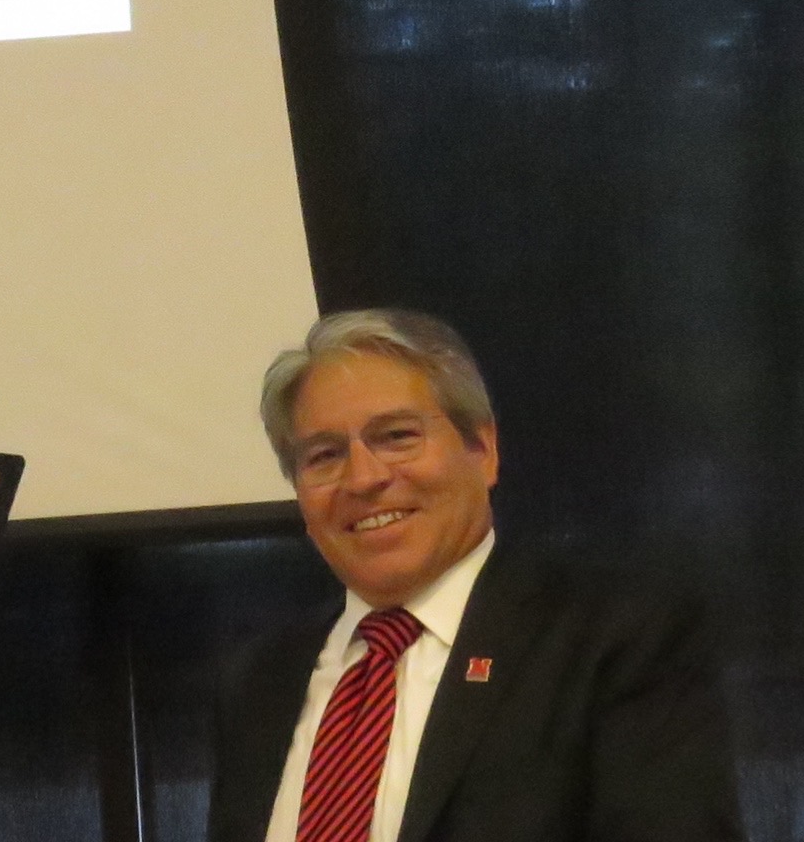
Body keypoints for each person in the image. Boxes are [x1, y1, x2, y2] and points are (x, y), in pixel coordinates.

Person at [208, 310, 743, 842]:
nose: (364, 478)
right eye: (324, 455)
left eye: (396, 436)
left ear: (483, 451)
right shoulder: (260, 681)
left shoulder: (611, 640)